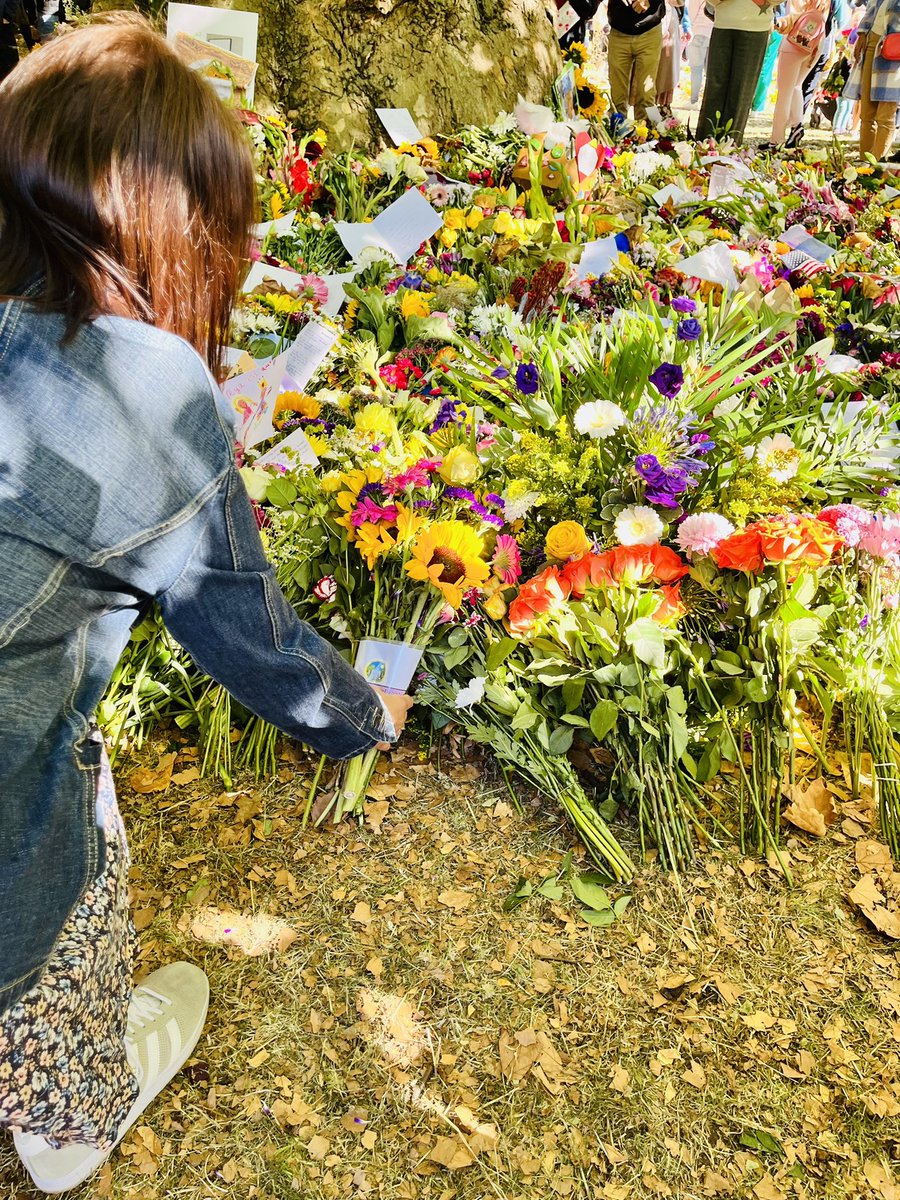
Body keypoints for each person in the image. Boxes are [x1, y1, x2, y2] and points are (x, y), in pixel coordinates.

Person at [0, 16, 412, 1195]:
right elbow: (250, 635)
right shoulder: (134, 381)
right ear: (166, 222)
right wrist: (362, 713)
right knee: (62, 808)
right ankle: (69, 1104)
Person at [697, 0, 777, 140]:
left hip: (756, 27)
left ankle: (730, 148)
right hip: (724, 23)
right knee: (715, 87)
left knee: (741, 90)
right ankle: (704, 144)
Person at [762, 0, 829, 148]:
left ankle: (777, 139)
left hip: (797, 40)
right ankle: (796, 126)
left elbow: (796, 13)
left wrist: (781, 22)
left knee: (784, 93)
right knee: (795, 87)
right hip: (817, 39)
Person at [844, 0, 900, 158]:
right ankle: (863, 163)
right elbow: (871, 8)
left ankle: (874, 166)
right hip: (872, 42)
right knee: (867, 112)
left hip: (895, 47)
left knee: (885, 114)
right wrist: (862, 34)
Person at [607, 0, 666, 125]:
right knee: (617, 94)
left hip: (649, 31)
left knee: (646, 92)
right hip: (619, 31)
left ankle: (644, 136)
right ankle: (616, 133)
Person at [656, 1, 690, 110]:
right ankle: (648, 112)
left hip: (669, 20)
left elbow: (679, 2)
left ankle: (663, 109)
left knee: (667, 69)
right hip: (652, 20)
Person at [687, 0, 715, 109]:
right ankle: (709, 101)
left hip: (698, 33)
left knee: (696, 69)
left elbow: (691, 15)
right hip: (713, 34)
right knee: (710, 71)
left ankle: (694, 101)